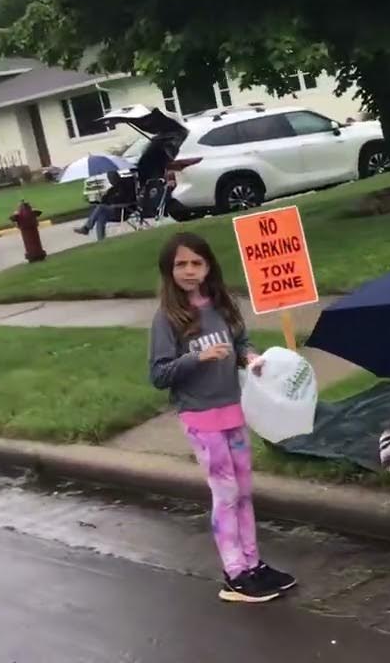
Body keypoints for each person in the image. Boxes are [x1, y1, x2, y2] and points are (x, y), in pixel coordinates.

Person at [148, 232, 296, 603]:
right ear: (169, 270)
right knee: (226, 493)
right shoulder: (167, 318)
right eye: (181, 264)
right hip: (200, 416)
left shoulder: (222, 304)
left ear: (208, 266)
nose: (189, 271)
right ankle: (234, 574)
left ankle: (253, 564)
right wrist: (197, 357)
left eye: (196, 263)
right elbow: (159, 374)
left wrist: (251, 358)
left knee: (243, 491)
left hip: (233, 409)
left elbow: (240, 341)